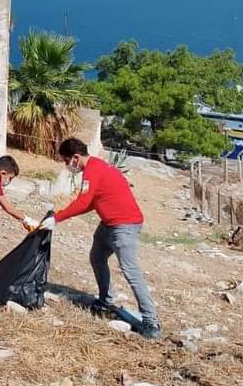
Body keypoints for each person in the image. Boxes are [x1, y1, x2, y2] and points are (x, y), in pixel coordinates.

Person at [50, 138, 161, 340]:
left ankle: (151, 321)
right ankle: (105, 300)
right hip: (108, 223)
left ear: (75, 157)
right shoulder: (94, 170)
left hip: (124, 225)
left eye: (67, 161)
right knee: (97, 257)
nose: (67, 166)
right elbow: (92, 202)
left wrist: (57, 218)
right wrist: (60, 216)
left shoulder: (93, 170)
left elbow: (83, 201)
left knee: (131, 271)